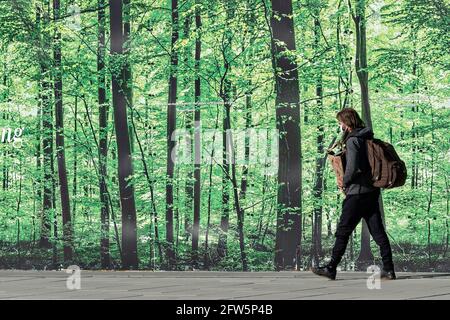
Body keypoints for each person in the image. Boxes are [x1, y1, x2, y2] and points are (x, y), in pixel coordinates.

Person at [312, 108, 396, 280]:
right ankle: (389, 269)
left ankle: (331, 268)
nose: (340, 125)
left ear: (347, 123)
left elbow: (353, 168)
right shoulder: (367, 137)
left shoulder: (353, 141)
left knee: (343, 231)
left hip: (357, 194)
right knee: (379, 232)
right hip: (371, 193)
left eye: (341, 122)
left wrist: (346, 182)